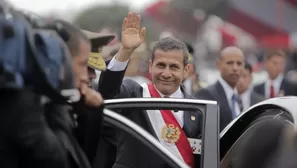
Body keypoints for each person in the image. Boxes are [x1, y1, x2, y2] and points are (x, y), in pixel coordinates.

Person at [98, 12, 202, 168]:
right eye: (161, 65)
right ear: (150, 66)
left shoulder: (199, 109)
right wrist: (125, 51)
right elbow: (107, 91)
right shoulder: (134, 94)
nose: (166, 73)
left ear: (186, 70)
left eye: (174, 67)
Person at [195, 46, 245, 131]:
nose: (235, 68)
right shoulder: (206, 94)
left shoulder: (238, 100)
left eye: (239, 63)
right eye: (230, 63)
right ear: (218, 65)